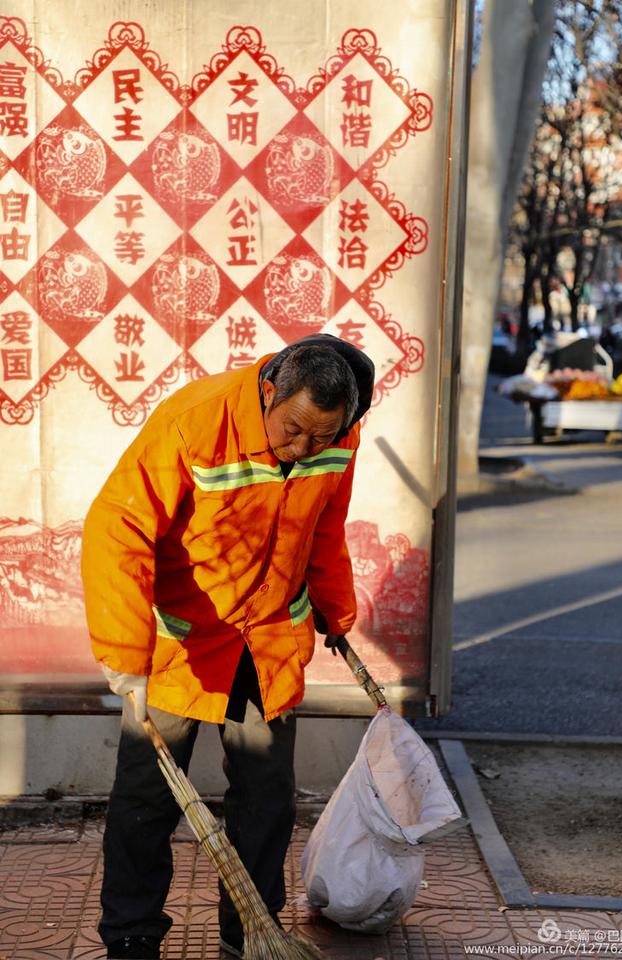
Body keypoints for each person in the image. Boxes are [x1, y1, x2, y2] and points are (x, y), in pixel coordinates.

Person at [81, 334, 375, 959]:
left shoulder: (337, 434)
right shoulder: (194, 421)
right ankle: (131, 939)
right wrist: (124, 653)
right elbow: (117, 527)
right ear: (269, 392)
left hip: (267, 640)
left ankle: (252, 933)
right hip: (184, 642)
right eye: (292, 429)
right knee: (147, 799)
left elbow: (324, 526)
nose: (302, 448)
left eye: (320, 437)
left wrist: (336, 610)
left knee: (267, 800)